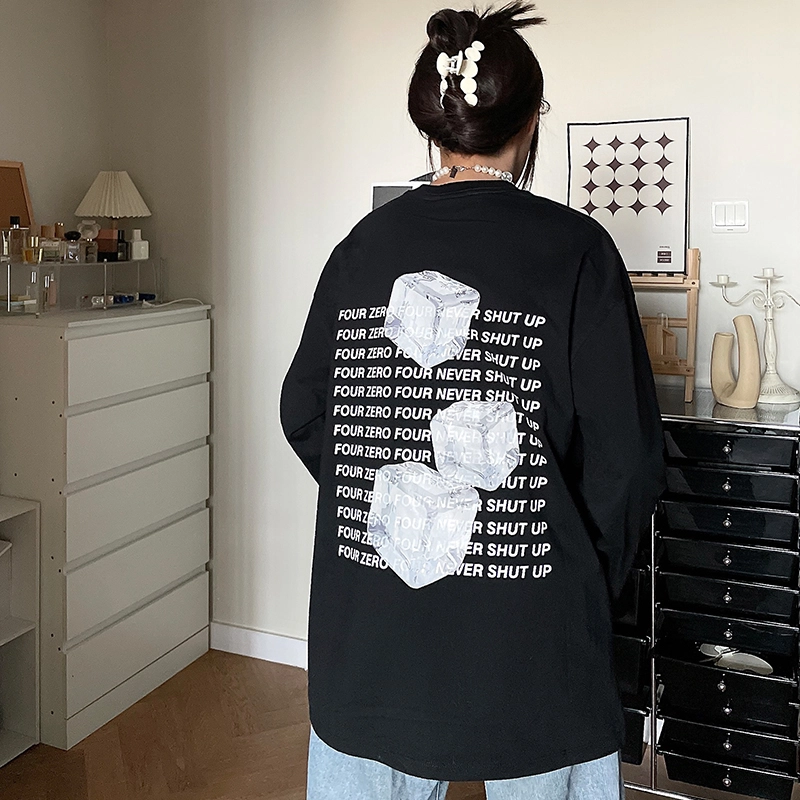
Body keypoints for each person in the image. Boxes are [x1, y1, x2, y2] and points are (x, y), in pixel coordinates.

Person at [280, 3, 666, 798]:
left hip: (373, 643)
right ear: (530, 120)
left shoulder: (361, 247)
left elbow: (306, 409)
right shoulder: (577, 250)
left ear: (433, 124)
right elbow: (626, 462)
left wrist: (376, 490)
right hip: (535, 650)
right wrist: (575, 576)